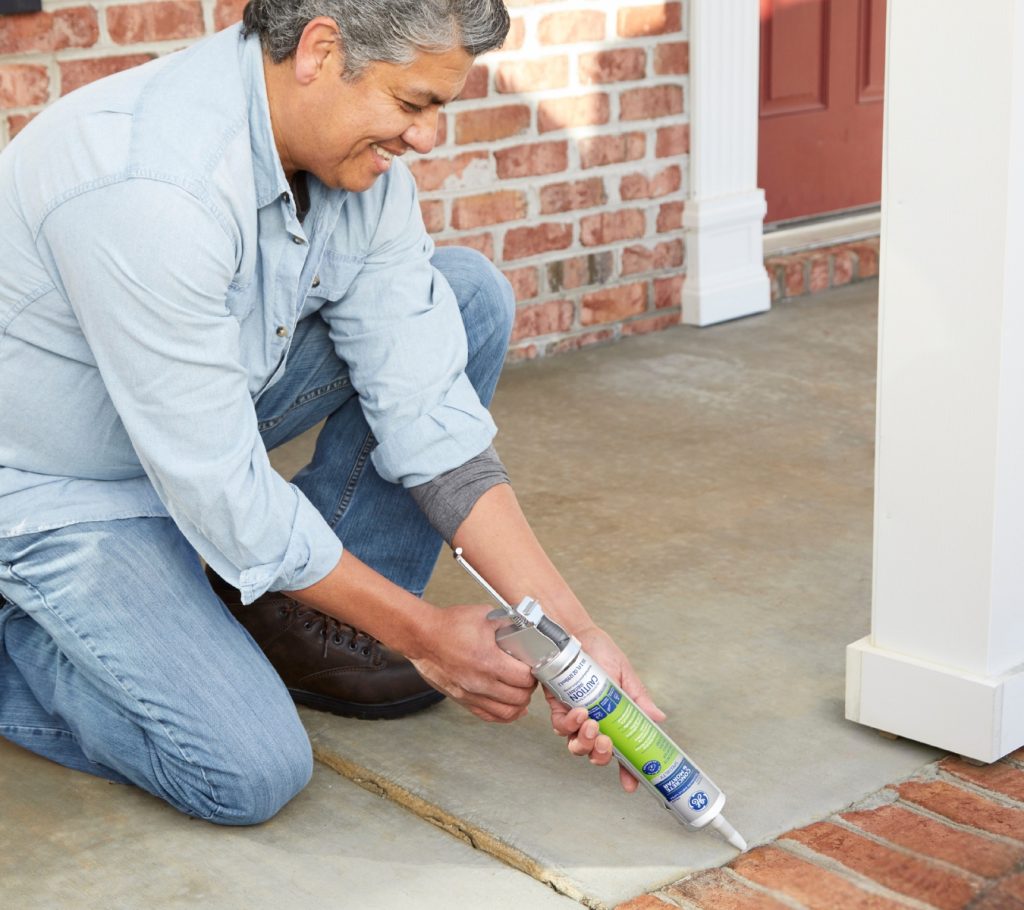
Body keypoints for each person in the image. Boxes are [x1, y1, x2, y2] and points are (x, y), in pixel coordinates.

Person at [0, 0, 663, 825]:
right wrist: (422, 634)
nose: (426, 138)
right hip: (61, 489)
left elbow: (428, 413)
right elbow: (222, 491)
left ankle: (295, 615)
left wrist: (574, 638)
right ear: (319, 49)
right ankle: (30, 637)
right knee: (247, 770)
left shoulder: (353, 166)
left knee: (463, 300)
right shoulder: (152, 184)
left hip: (202, 428)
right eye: (413, 104)